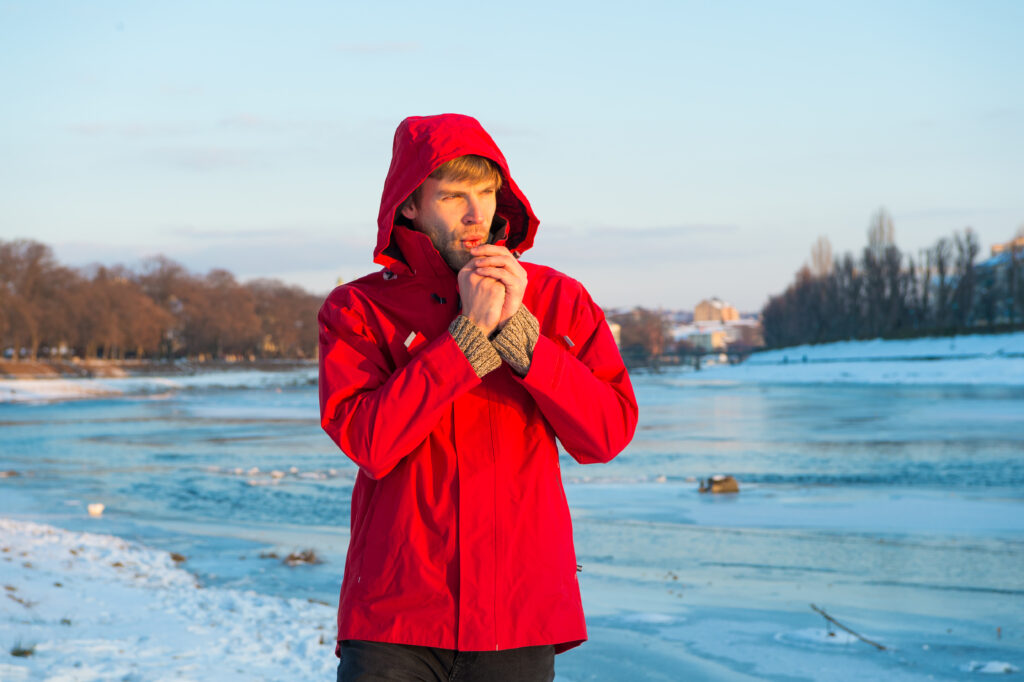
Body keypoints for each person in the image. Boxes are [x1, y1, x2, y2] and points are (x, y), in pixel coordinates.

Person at [318, 113, 638, 681]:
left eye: (486, 192)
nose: (475, 214)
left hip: (519, 614)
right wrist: (465, 341)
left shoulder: (558, 298)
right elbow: (370, 442)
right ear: (409, 205)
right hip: (394, 618)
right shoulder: (358, 310)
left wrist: (522, 338)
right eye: (453, 195)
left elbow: (606, 435)